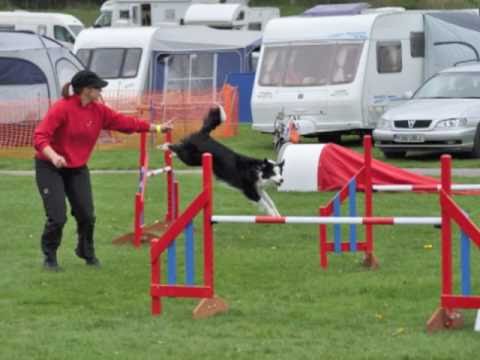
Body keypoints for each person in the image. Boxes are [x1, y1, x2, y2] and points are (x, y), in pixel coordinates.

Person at [33, 70, 170, 271]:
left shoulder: (99, 111)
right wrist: (54, 156)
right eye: (97, 87)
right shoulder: (62, 108)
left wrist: (156, 128)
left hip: (77, 168)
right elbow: (40, 137)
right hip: (50, 166)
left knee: (87, 215)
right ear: (86, 90)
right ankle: (50, 257)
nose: (101, 91)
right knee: (58, 216)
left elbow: (125, 123)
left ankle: (86, 252)